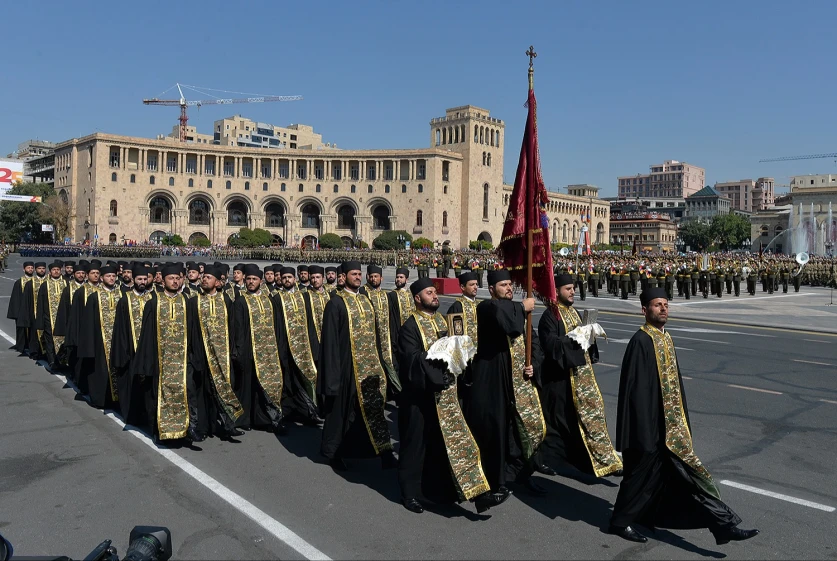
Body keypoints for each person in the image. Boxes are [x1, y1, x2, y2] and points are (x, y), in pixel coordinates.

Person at [610, 287, 759, 545]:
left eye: (666, 304)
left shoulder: (666, 339)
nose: (664, 309)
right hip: (649, 431)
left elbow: (675, 386)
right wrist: (645, 435)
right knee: (637, 479)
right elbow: (635, 393)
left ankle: (723, 526)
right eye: (658, 305)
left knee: (692, 479)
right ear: (644, 310)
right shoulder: (640, 341)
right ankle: (619, 522)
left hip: (670, 430)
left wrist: (681, 424)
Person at [396, 278, 505, 514]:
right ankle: (409, 494)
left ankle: (474, 494)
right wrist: (437, 358)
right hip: (420, 398)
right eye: (429, 293)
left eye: (435, 292)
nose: (435, 296)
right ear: (417, 298)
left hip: (446, 395)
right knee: (415, 446)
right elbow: (411, 360)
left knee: (454, 445)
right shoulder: (409, 327)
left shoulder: (443, 321)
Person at [461, 269, 545, 498]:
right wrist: (522, 307)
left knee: (522, 432)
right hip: (494, 384)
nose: (509, 288)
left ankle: (522, 475)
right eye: (503, 285)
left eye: (510, 284)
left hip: (519, 385)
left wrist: (533, 364)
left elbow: (533, 342)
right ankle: (497, 482)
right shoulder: (487, 308)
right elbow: (506, 320)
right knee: (497, 434)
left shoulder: (517, 310)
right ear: (491, 290)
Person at [537, 274, 622, 479]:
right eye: (568, 288)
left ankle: (597, 459)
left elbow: (584, 345)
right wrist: (574, 339)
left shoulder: (574, 312)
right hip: (560, 380)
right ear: (556, 291)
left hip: (581, 378)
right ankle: (551, 461)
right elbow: (551, 347)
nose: (573, 292)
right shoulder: (550, 316)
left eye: (573, 288)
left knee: (588, 418)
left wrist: (588, 335)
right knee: (560, 423)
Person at [318, 261, 397, 471]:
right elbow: (330, 343)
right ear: (343, 277)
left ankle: (384, 452)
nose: (358, 277)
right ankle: (334, 452)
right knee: (341, 413)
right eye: (353, 274)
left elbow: (376, 335)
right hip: (346, 368)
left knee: (374, 410)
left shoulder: (366, 301)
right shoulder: (335, 303)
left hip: (369, 367)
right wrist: (333, 376)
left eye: (359, 274)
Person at [131, 264, 203, 443]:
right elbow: (146, 336)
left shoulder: (187, 302)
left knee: (188, 393)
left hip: (183, 359)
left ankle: (190, 428)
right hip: (161, 360)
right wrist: (146, 363)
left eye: (178, 278)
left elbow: (194, 332)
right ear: (163, 281)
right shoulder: (153, 303)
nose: (175, 281)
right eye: (171, 278)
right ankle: (163, 432)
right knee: (160, 396)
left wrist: (195, 358)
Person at [186, 265, 244, 439]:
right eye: (204, 277)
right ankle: (203, 428)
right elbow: (190, 329)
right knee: (203, 391)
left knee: (224, 387)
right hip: (202, 355)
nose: (204, 279)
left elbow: (233, 328)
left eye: (209, 277)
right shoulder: (194, 302)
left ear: (218, 282)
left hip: (222, 355)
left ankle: (228, 424)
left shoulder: (226, 301)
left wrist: (234, 351)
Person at [232, 264, 286, 434]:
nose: (250, 282)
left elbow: (278, 326)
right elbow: (238, 328)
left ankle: (266, 419)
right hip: (248, 350)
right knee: (247, 386)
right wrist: (239, 351)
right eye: (248, 279)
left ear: (260, 281)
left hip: (269, 351)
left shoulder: (270, 300)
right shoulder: (241, 300)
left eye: (254, 279)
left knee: (267, 385)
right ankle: (244, 419)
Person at [274, 267, 321, 426]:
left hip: (303, 348)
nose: (287, 280)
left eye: (289, 277)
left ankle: (308, 412)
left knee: (304, 379)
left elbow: (310, 323)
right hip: (285, 348)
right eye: (284, 277)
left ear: (295, 279)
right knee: (286, 382)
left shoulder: (304, 297)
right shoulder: (276, 299)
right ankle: (285, 413)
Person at [111, 264, 156, 426]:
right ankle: (133, 416)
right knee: (133, 385)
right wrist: (124, 351)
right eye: (139, 279)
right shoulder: (125, 300)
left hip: (149, 350)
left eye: (145, 279)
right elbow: (120, 328)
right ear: (134, 280)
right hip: (131, 350)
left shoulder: (153, 298)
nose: (143, 282)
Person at [78, 265, 123, 409]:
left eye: (113, 276)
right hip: (100, 341)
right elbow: (88, 323)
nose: (111, 278)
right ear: (102, 278)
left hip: (116, 341)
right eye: (108, 276)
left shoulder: (121, 295)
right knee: (101, 372)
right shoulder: (94, 297)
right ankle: (101, 400)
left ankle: (117, 400)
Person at [364, 264, 400, 397]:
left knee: (390, 365)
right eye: (371, 277)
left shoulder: (385, 295)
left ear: (381, 278)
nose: (374, 279)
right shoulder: (364, 293)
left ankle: (396, 393)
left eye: (376, 277)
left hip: (387, 338)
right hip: (372, 339)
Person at [34, 262, 67, 370]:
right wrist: (41, 320)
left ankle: (63, 361)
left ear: (61, 270)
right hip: (49, 318)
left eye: (58, 269)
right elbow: (40, 304)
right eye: (54, 270)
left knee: (63, 340)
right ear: (50, 272)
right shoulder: (45, 285)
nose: (56, 271)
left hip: (63, 318)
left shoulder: (66, 283)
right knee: (50, 341)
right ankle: (52, 361)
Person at [21, 262, 49, 359]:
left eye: (43, 268)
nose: (41, 270)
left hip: (46, 311)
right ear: (36, 270)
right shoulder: (30, 283)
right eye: (39, 268)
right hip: (34, 311)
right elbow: (26, 300)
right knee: (34, 333)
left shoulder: (49, 281)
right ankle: (35, 352)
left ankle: (46, 353)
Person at [7, 261, 35, 353]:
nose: (30, 269)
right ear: (24, 269)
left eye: (31, 268)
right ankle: (21, 345)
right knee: (21, 329)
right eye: (28, 268)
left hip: (33, 309)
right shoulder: (19, 282)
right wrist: (17, 313)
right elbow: (15, 298)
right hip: (21, 310)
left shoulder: (36, 281)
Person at [444, 272, 479, 344]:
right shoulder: (457, 306)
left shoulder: (480, 305)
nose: (475, 287)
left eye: (476, 284)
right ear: (463, 287)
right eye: (472, 285)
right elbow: (454, 335)